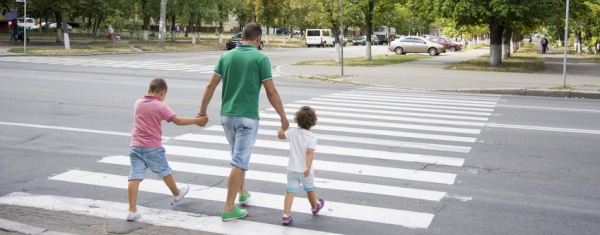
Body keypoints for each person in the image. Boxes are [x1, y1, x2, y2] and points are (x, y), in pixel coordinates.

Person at [197, 22, 289, 222]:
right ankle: (228, 208)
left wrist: (201, 112)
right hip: (247, 117)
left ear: (242, 37)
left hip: (226, 116)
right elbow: (271, 91)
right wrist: (283, 116)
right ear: (258, 39)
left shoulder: (226, 56)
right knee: (239, 161)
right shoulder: (260, 58)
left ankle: (243, 192)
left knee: (237, 157)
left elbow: (210, 85)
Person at [127, 78, 207, 221]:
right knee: (165, 171)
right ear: (163, 93)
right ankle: (176, 193)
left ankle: (132, 210)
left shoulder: (138, 103)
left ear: (149, 90)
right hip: (152, 146)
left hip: (135, 146)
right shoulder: (160, 106)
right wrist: (196, 121)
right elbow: (177, 121)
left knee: (134, 176)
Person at [277, 106, 324, 225]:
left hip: (292, 169)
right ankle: (315, 206)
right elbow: (309, 152)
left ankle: (286, 215)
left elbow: (281, 135)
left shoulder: (292, 132)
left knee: (290, 191)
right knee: (310, 189)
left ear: (297, 120)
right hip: (305, 171)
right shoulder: (312, 137)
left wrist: (281, 127)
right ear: (313, 122)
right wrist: (307, 167)